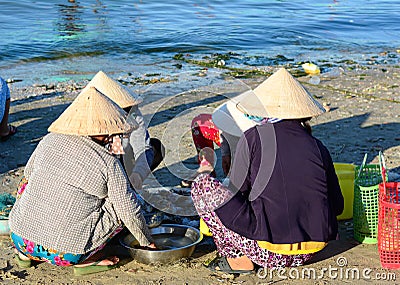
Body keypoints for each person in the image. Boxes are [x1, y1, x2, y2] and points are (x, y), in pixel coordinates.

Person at [191, 68, 344, 274]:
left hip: (269, 251)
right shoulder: (318, 146)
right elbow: (338, 206)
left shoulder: (254, 137)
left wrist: (209, 171)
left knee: (203, 186)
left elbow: (237, 191)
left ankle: (237, 260)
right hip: (314, 249)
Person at [9, 86, 156, 275]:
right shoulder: (107, 162)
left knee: (28, 185)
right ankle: (86, 261)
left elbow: (28, 177)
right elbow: (129, 209)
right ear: (107, 128)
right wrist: (147, 242)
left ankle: (25, 256)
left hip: (20, 238)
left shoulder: (48, 140)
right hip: (67, 254)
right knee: (125, 203)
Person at [83, 71, 164, 191]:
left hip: (124, 158)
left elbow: (142, 147)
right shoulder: (85, 117)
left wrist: (138, 173)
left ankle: (130, 182)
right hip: (95, 164)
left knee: (155, 147)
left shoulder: (131, 112)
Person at [181, 94, 257, 187]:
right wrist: (226, 152)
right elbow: (227, 123)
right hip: (236, 129)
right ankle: (206, 166)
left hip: (256, 142)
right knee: (199, 123)